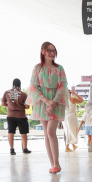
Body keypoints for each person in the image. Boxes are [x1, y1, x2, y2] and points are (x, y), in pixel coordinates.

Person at [28, 42, 68, 173]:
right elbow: (33, 86)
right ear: (43, 51)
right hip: (42, 102)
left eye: (54, 50)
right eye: (49, 50)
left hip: (56, 101)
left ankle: (56, 163)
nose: (52, 53)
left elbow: (63, 86)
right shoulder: (37, 68)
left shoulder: (59, 68)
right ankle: (52, 164)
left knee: (51, 132)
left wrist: (53, 103)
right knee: (46, 134)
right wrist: (46, 101)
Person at [1, 78, 31, 155]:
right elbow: (27, 106)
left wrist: (10, 106)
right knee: (23, 133)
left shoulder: (6, 92)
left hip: (10, 115)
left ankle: (12, 149)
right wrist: (20, 106)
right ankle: (25, 149)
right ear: (20, 84)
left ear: (13, 84)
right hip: (21, 116)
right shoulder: (23, 94)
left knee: (11, 132)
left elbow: (3, 104)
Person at [64, 87, 84, 152]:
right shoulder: (72, 99)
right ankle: (67, 147)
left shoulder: (63, 100)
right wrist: (75, 93)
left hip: (65, 117)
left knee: (68, 131)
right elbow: (82, 100)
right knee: (72, 131)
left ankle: (72, 146)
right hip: (71, 116)